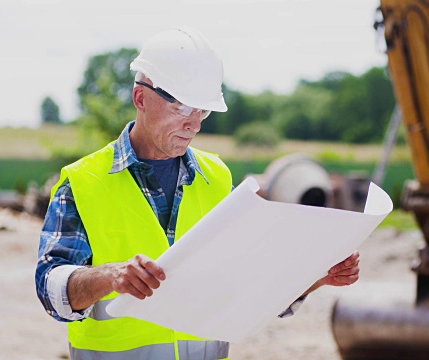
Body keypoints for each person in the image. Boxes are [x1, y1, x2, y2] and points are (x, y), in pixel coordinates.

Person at [35, 26, 360, 360]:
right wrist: (110, 276)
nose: (194, 124)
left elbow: (250, 285)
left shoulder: (216, 178)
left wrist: (315, 278)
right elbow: (50, 288)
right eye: (181, 107)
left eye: (202, 110)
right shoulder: (83, 181)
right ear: (140, 98)